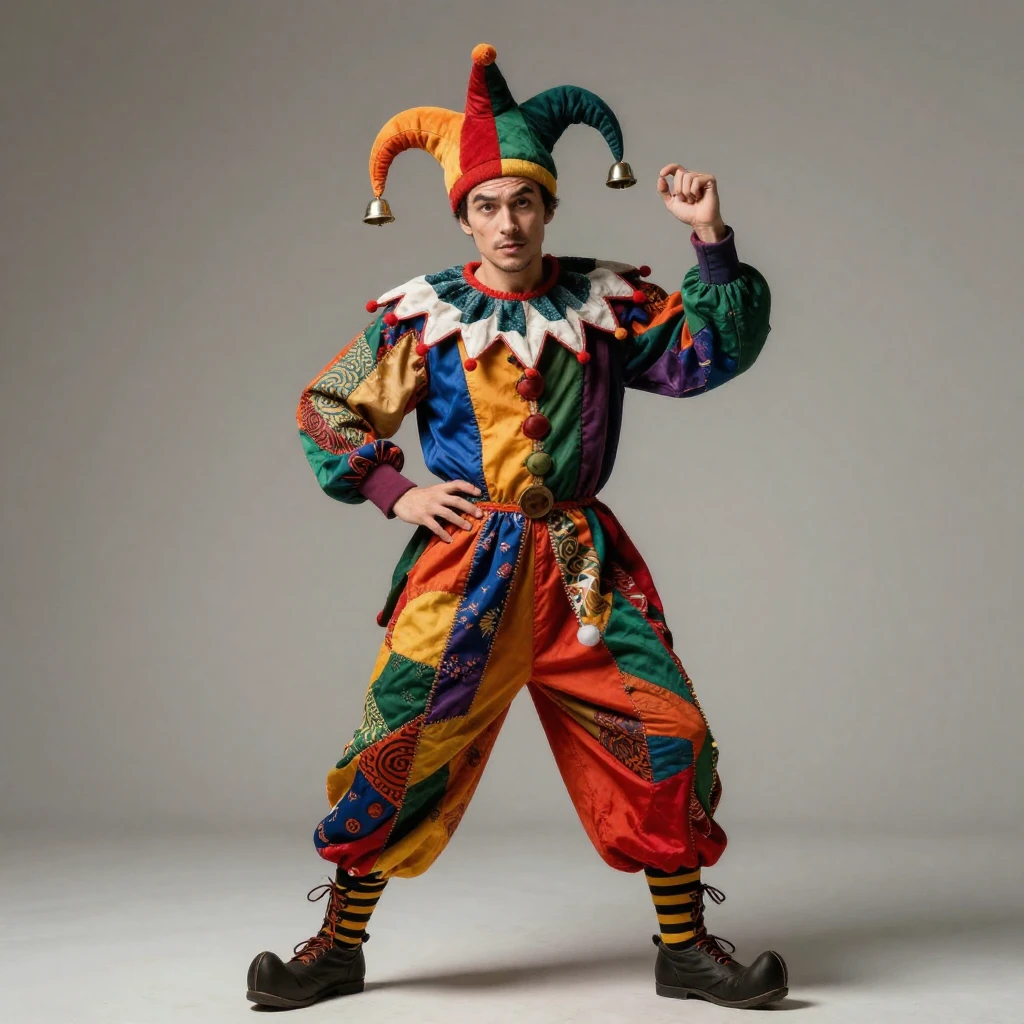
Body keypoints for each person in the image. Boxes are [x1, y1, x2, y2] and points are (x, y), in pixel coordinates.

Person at [246, 42, 786, 1011]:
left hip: (583, 573)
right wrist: (394, 490)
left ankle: (684, 949)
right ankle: (335, 948)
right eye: (488, 206)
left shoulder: (605, 305)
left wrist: (710, 238)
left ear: (549, 208)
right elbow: (327, 406)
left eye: (524, 203)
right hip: (464, 573)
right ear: (463, 216)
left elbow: (708, 350)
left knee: (667, 735)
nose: (507, 222)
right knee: (398, 745)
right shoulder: (420, 318)